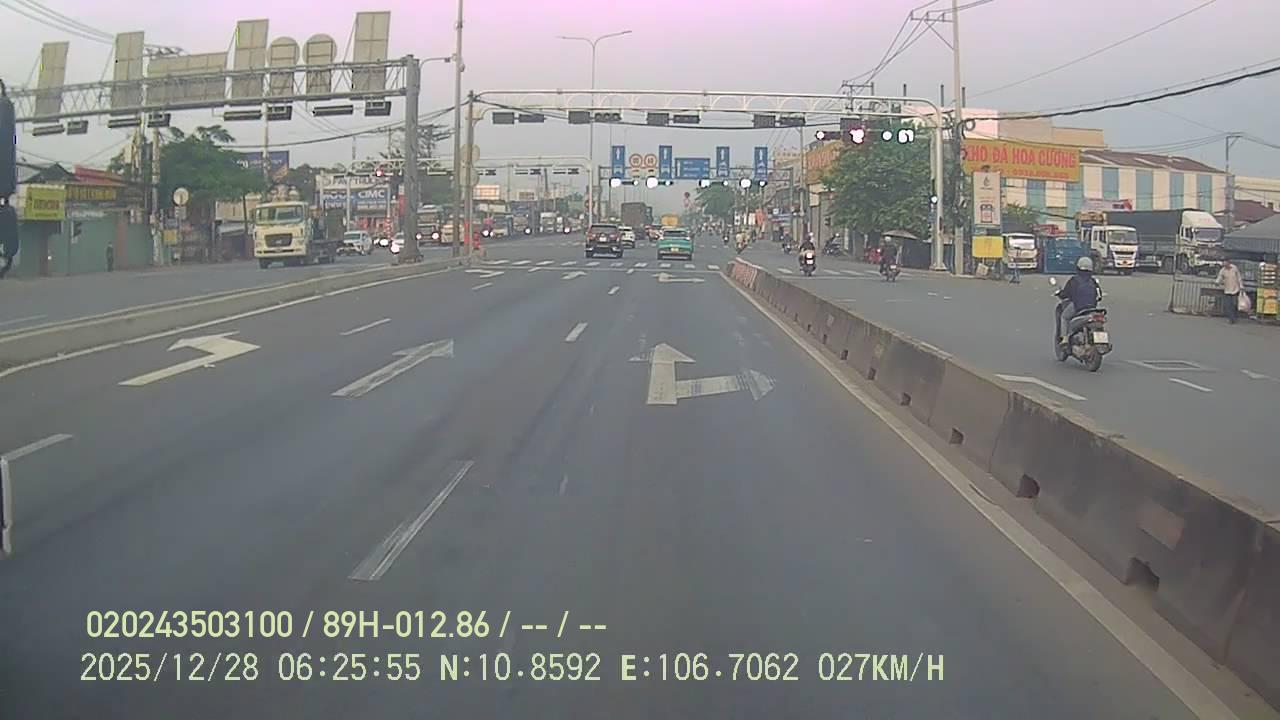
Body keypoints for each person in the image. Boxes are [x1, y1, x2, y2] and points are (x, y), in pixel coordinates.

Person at [1056, 256, 1102, 346]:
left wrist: (1060, 294)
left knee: (1064, 317)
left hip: (1078, 306)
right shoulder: (1093, 281)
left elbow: (1066, 293)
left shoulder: (1074, 280)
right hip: (1092, 308)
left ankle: (1065, 338)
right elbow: (1099, 295)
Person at [1216, 258, 1244, 324]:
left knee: (1234, 305)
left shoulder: (1234, 268)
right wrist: (1217, 282)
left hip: (1235, 289)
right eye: (1223, 263)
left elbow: (1239, 277)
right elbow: (1219, 277)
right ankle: (1231, 319)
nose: (1224, 264)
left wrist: (1241, 286)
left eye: (1225, 262)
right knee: (1228, 305)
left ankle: (1234, 316)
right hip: (1227, 290)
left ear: (1229, 263)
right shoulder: (1222, 270)